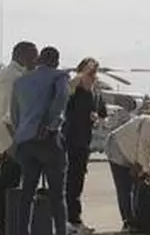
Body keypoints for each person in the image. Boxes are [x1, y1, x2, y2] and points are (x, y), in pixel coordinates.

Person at [11, 45, 71, 235]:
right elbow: (61, 98)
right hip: (48, 141)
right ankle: (60, 231)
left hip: (25, 142)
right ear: (56, 62)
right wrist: (51, 125)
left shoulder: (20, 82)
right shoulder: (59, 77)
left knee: (27, 193)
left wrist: (21, 133)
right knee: (57, 196)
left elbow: (14, 114)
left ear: (39, 60)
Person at [65, 57, 108, 232]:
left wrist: (97, 118)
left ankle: (74, 219)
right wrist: (80, 76)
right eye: (90, 73)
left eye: (94, 73)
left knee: (77, 182)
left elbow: (103, 114)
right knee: (66, 181)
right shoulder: (73, 90)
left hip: (84, 143)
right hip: (68, 141)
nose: (93, 77)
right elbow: (64, 96)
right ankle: (67, 219)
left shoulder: (96, 94)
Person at [0, 42, 38, 186]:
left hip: (11, 141)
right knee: (13, 187)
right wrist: (17, 143)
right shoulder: (14, 78)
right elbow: (8, 116)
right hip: (12, 143)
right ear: (23, 56)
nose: (36, 61)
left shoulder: (11, 74)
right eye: (34, 56)